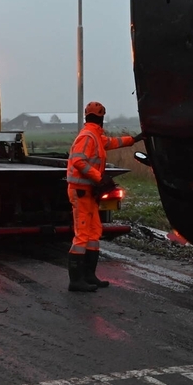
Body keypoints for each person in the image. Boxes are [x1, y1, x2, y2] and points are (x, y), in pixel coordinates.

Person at [65, 101, 143, 292]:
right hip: (81, 191)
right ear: (101, 117)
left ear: (87, 116)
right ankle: (76, 281)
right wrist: (99, 178)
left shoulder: (95, 136)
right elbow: (78, 161)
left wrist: (133, 139)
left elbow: (112, 142)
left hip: (89, 192)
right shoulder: (88, 136)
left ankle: (89, 276)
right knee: (82, 234)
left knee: (93, 232)